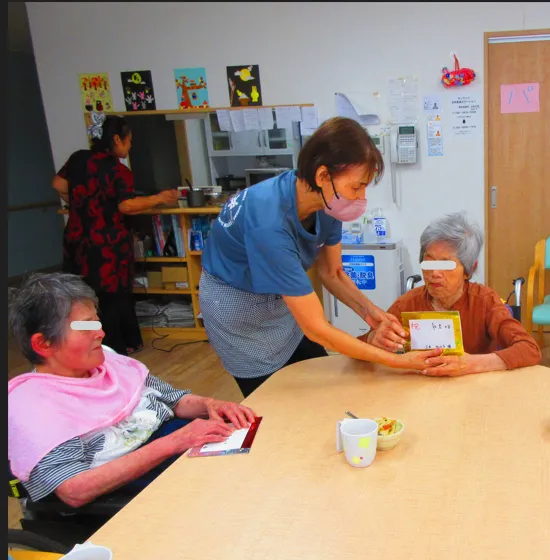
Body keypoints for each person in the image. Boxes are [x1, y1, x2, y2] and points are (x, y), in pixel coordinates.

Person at [199, 117, 441, 398]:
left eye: (365, 187)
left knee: (315, 377)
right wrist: (397, 361)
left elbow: (333, 273)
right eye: (356, 186)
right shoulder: (269, 221)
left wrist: (373, 315)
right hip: (236, 307)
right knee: (274, 401)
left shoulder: (327, 203)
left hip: (278, 299)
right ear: (323, 176)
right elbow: (316, 328)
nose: (361, 197)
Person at [7, 273, 257, 508]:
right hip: (144, 490)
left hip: (182, 453)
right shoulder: (34, 406)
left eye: (96, 322)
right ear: (43, 343)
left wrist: (209, 404)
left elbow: (172, 400)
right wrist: (176, 442)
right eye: (85, 328)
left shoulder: (108, 360)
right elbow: (74, 490)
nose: (101, 333)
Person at [52, 115, 180, 355]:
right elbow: (126, 205)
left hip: (77, 239)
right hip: (107, 244)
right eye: (128, 140)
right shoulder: (118, 170)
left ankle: (85, 345)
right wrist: (159, 198)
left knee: (81, 296)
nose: (130, 145)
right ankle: (117, 348)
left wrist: (81, 202)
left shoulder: (79, 158)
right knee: (113, 295)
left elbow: (58, 184)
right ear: (116, 139)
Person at [360, 212, 542, 377]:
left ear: (469, 270)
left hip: (476, 390)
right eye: (428, 263)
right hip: (420, 393)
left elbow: (529, 349)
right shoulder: (407, 303)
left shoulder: (485, 302)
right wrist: (373, 339)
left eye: (446, 264)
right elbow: (358, 348)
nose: (434, 273)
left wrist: (472, 364)